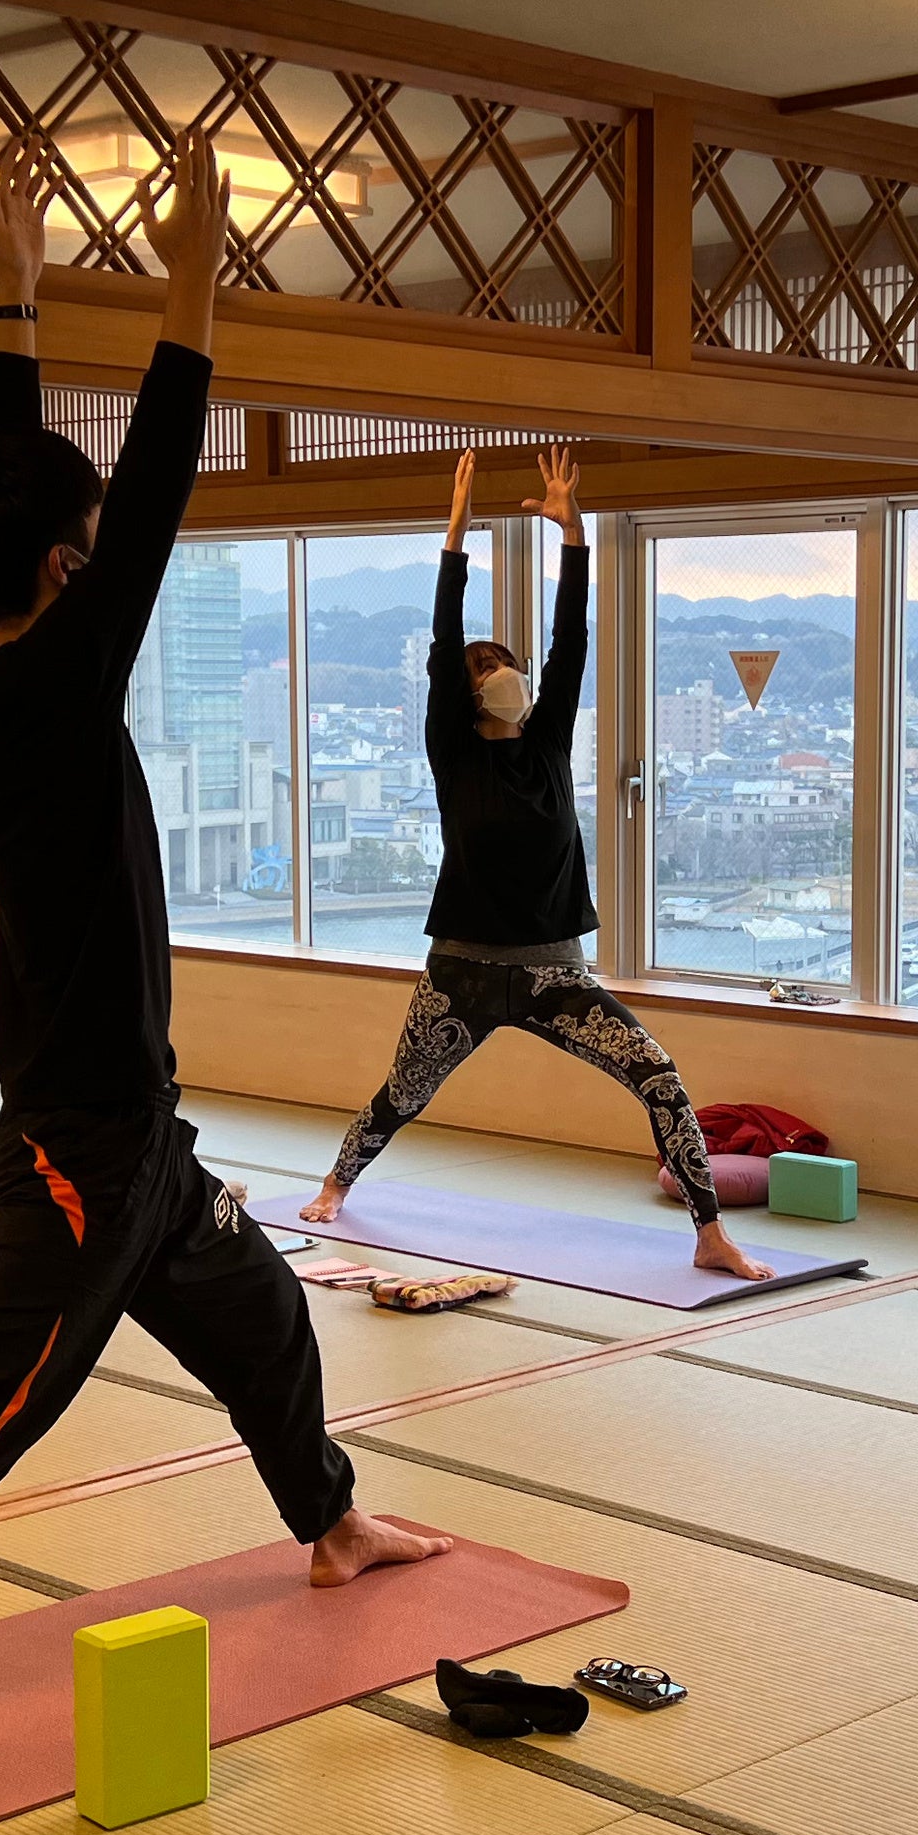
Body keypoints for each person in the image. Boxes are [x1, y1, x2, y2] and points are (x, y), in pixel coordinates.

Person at [0, 147, 447, 1816]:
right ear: (63, 568)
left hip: (139, 1136)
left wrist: (16, 298)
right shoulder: (46, 690)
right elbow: (162, 473)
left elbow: (6, 490)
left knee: (263, 1319)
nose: (106, 555)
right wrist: (190, 285)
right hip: (76, 1157)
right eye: (88, 545)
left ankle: (329, 1521)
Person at [299, 448, 771, 1283]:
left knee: (659, 1075)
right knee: (403, 1093)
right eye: (490, 669)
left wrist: (573, 535)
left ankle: (710, 1235)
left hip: (557, 974)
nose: (506, 675)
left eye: (508, 664)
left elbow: (572, 640)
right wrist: (455, 532)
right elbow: (444, 640)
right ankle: (337, 1184)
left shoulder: (550, 741)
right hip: (464, 973)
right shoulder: (453, 754)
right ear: (469, 692)